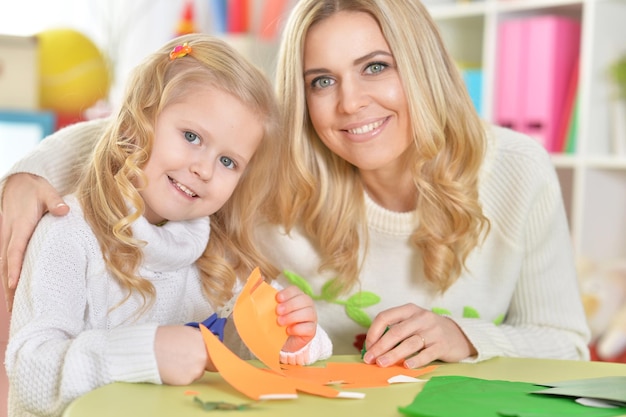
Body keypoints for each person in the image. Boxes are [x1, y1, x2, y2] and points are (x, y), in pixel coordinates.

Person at [1, 0, 589, 370]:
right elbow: (160, 132)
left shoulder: (518, 171)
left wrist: (464, 337)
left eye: (376, 66)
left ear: (422, 66)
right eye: (321, 80)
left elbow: (568, 346)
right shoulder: (270, 169)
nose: (351, 102)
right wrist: (30, 173)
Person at [3, 33, 331, 417]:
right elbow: (29, 373)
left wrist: (293, 339)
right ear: (135, 123)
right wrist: (148, 353)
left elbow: (264, 349)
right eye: (191, 137)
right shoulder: (68, 233)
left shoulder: (216, 255)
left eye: (229, 162)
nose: (204, 169)